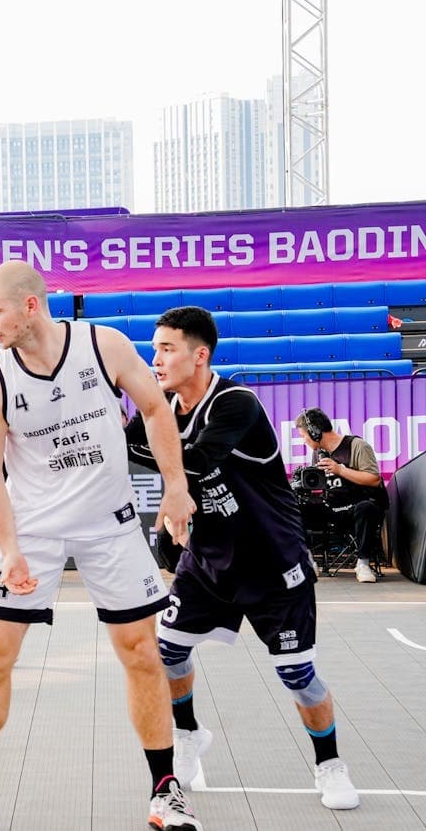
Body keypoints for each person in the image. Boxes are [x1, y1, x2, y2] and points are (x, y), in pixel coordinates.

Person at [0, 263, 201, 831]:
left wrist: (176, 485)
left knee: (141, 654)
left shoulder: (104, 346)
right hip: (34, 529)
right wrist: (11, 546)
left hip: (110, 523)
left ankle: (166, 791)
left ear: (30, 306)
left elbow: (153, 407)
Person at [127, 306, 360, 811]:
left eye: (167, 348)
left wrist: (157, 468)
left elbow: (194, 461)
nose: (156, 358)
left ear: (200, 354)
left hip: (272, 563)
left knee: (298, 676)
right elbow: (130, 447)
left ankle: (330, 765)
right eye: (154, 348)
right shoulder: (160, 405)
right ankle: (189, 734)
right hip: (207, 561)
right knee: (166, 653)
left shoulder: (236, 403)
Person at [295, 407, 387, 583]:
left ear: (314, 432)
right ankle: (308, 561)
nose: (304, 440)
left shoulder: (357, 446)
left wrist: (340, 470)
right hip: (331, 509)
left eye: (303, 436)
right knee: (296, 507)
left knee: (366, 508)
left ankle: (363, 563)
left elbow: (374, 479)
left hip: (357, 508)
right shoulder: (318, 454)